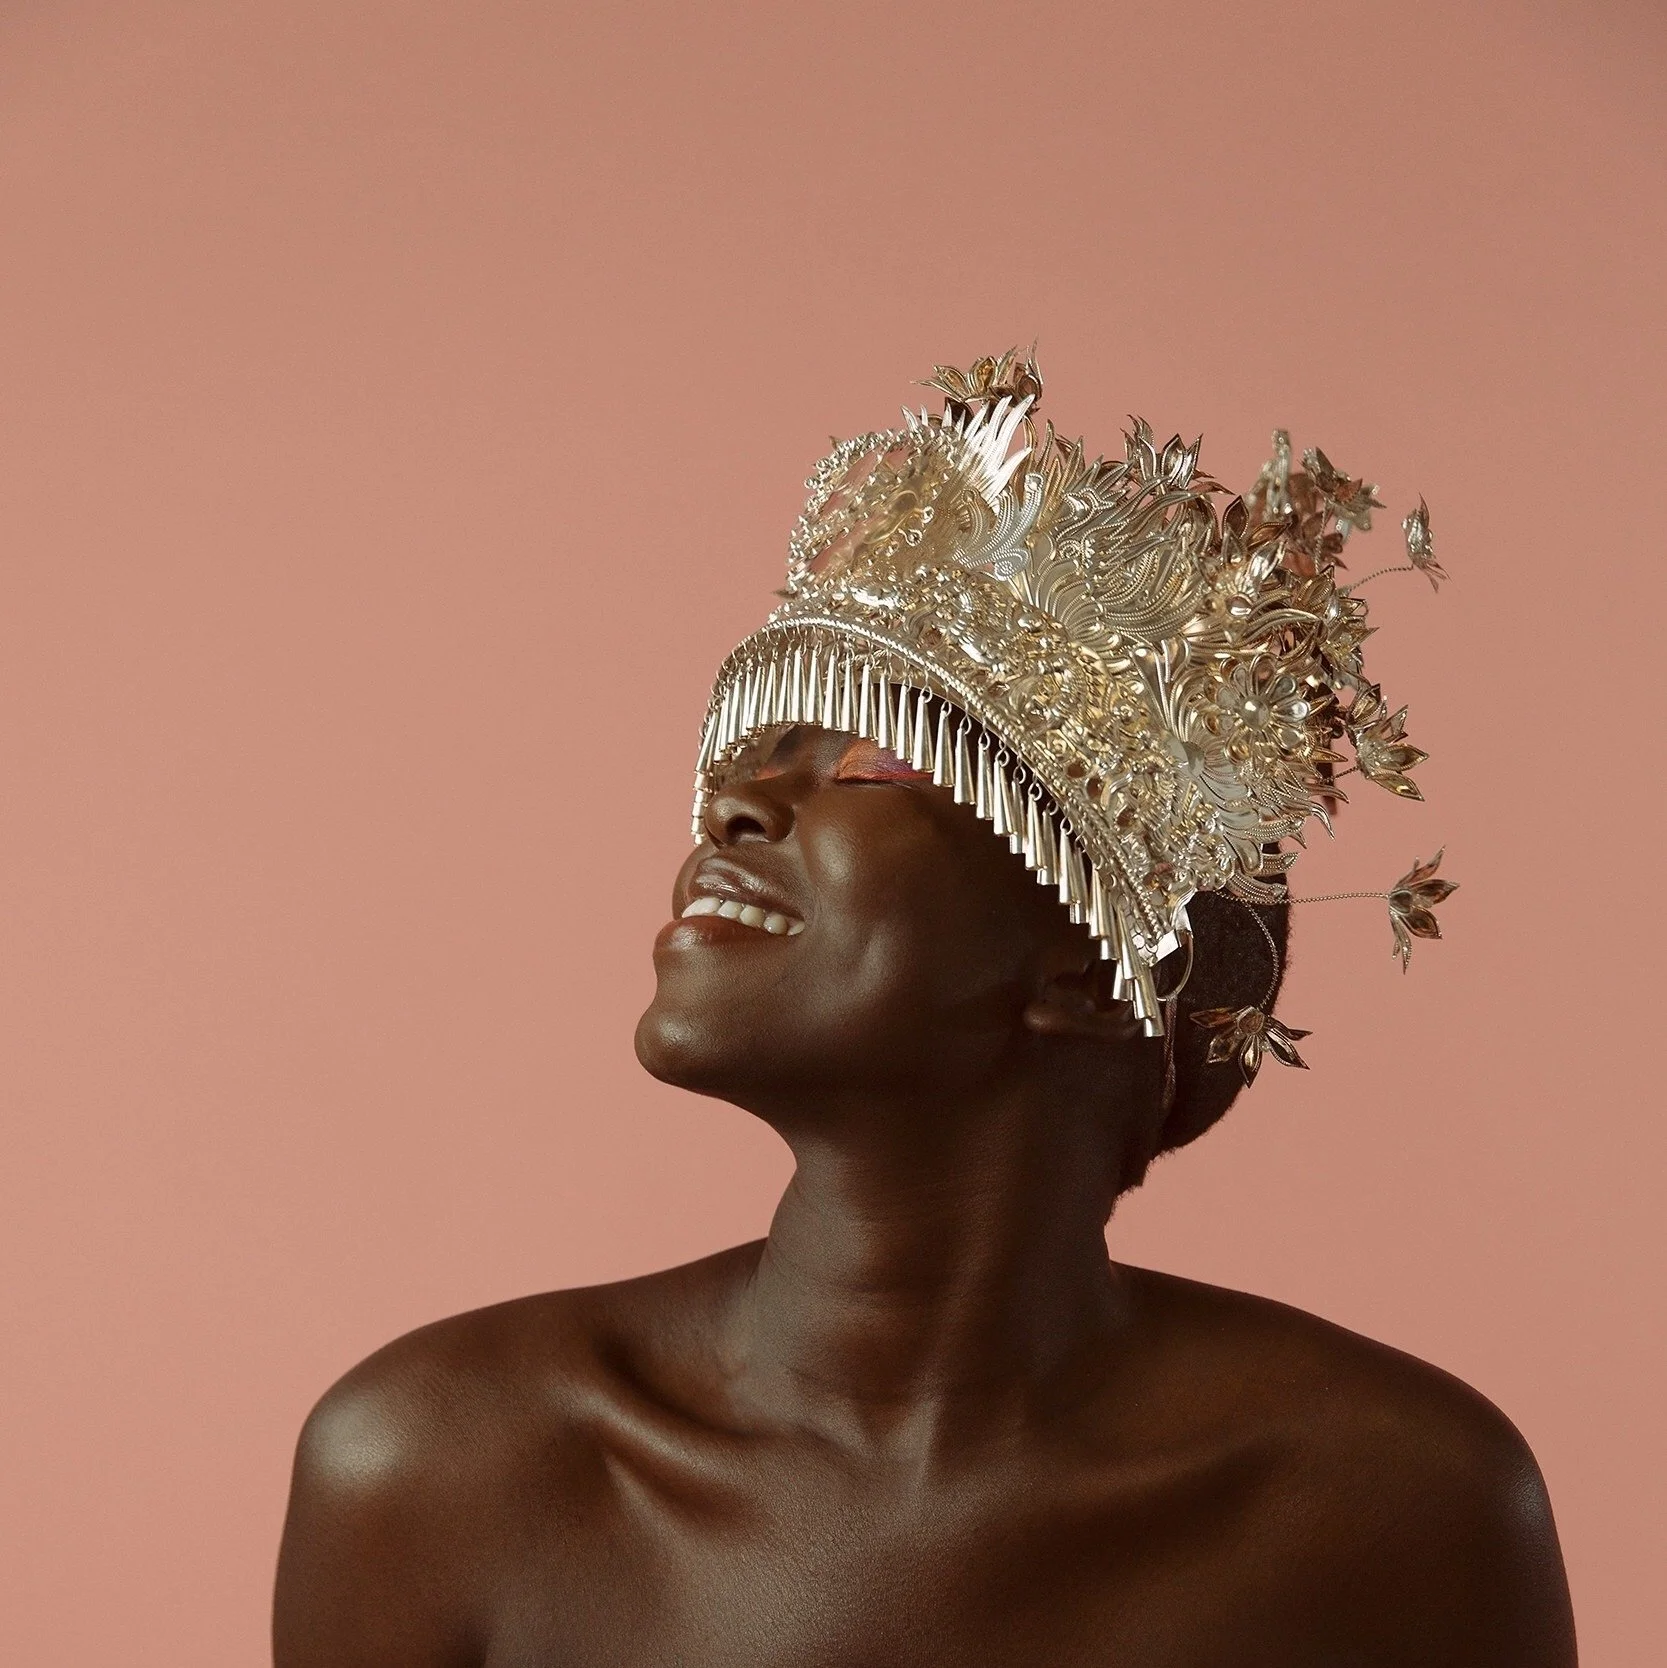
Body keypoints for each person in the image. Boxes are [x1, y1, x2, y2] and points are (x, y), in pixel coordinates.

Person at [274, 353, 1576, 1666]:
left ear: (1087, 962)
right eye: (742, 761)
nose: (728, 807)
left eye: (863, 762)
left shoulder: (1391, 1505)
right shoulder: (438, 1466)